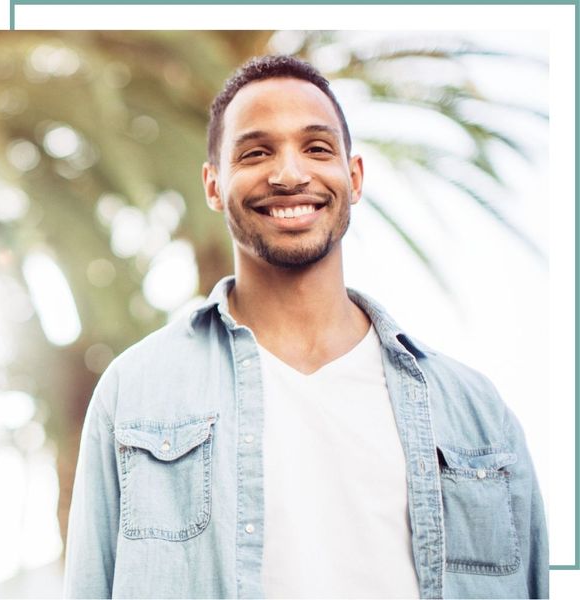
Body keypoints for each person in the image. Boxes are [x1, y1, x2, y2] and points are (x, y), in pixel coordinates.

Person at [64, 55, 548, 599]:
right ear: (213, 184)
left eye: (317, 148)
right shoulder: (136, 393)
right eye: (256, 152)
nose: (290, 174)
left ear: (354, 176)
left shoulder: (476, 411)